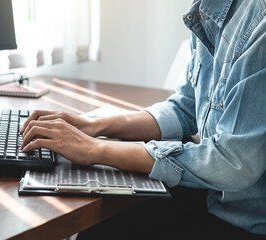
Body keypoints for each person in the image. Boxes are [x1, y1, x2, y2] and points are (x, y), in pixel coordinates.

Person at [20, 0, 266, 239]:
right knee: (100, 229)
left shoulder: (259, 20)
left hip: (245, 222)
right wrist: (93, 126)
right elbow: (185, 108)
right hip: (213, 197)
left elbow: (234, 162)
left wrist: (96, 149)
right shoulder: (208, 8)